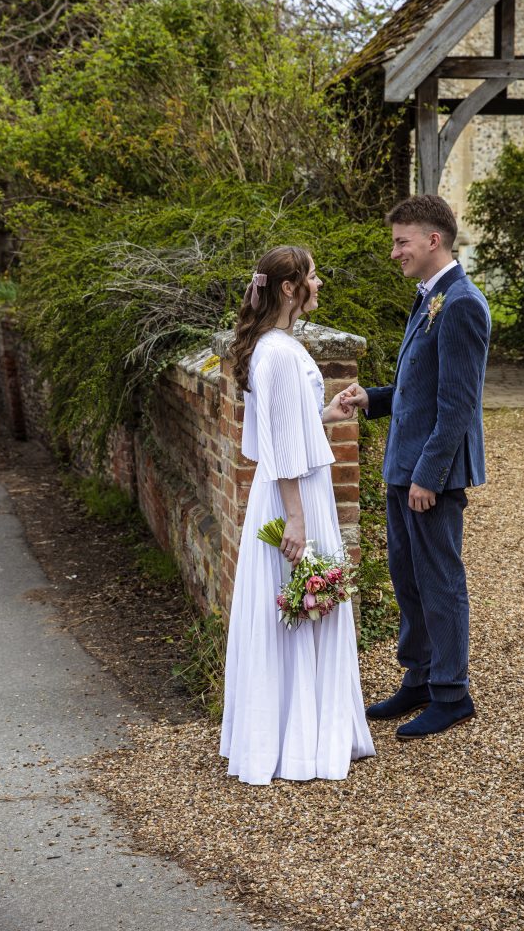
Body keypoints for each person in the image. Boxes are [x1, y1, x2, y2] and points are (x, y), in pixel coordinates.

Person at [219, 244, 375, 784]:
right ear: (290, 288)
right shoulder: (280, 353)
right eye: (313, 275)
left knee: (296, 607)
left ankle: (295, 731)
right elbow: (282, 447)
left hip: (294, 488)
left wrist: (324, 415)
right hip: (295, 495)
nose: (320, 283)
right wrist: (297, 519)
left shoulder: (273, 345)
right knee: (298, 603)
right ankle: (298, 743)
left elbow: (290, 426)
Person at [341, 195, 491, 740]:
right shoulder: (428, 297)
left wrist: (428, 476)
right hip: (402, 467)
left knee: (440, 580)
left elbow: (457, 405)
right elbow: (419, 386)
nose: (393, 252)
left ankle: (452, 694)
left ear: (433, 241)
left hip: (431, 475)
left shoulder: (463, 304)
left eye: (401, 241)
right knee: (408, 579)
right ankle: (421, 679)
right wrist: (373, 398)